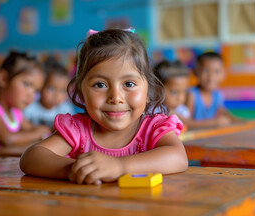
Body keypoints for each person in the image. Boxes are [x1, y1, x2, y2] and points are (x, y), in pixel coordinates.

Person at [20, 29, 188, 185]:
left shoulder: (154, 127)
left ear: (148, 91)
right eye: (100, 85)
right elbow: (31, 158)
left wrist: (119, 166)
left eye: (129, 83)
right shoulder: (78, 130)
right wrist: (82, 169)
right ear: (81, 92)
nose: (115, 97)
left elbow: (178, 157)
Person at [186, 51, 242, 128]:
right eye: (206, 71)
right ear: (196, 72)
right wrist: (214, 123)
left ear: (223, 74)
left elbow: (222, 112)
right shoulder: (192, 94)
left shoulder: (218, 96)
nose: (211, 76)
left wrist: (236, 120)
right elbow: (187, 123)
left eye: (216, 71)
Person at [24, 57, 75, 129]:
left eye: (62, 91)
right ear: (40, 86)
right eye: (51, 89)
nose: (56, 95)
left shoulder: (65, 110)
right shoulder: (30, 107)